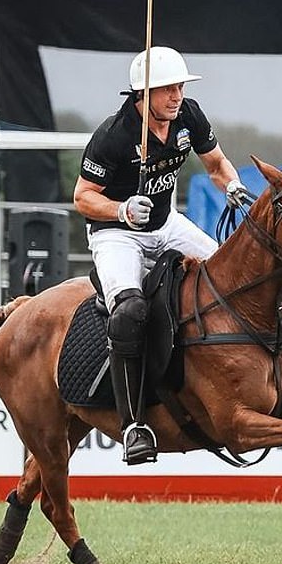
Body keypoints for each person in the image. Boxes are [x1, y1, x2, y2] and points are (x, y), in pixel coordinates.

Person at [73, 46, 247, 465]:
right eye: (167, 88)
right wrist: (121, 210)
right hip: (117, 234)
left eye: (180, 87)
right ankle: (134, 424)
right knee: (130, 310)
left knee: (231, 280)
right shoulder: (114, 134)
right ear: (142, 93)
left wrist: (234, 187)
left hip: (167, 223)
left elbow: (217, 163)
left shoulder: (188, 115)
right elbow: (82, 197)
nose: (176, 95)